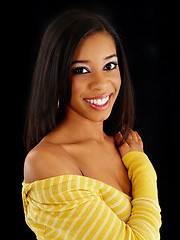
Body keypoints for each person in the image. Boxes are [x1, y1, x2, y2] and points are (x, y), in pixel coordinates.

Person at [22, 10, 161, 239]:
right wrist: (141, 166)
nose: (101, 83)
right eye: (81, 70)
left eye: (109, 66)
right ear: (55, 77)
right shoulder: (46, 162)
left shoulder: (121, 145)